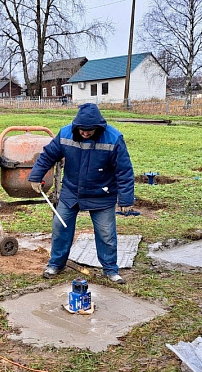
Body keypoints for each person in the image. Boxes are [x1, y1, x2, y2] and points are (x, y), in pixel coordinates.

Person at [28, 103, 135, 283]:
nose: (85, 133)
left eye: (90, 130)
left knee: (106, 234)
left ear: (99, 127)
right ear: (76, 126)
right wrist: (35, 177)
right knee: (60, 228)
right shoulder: (65, 134)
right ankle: (55, 264)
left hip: (102, 193)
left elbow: (124, 170)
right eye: (82, 130)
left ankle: (110, 270)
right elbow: (48, 155)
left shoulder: (114, 138)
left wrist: (125, 200)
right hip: (71, 192)